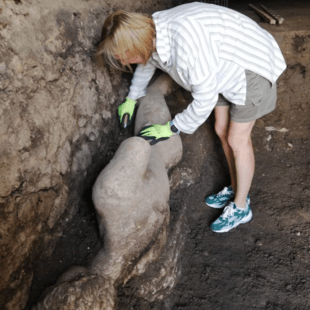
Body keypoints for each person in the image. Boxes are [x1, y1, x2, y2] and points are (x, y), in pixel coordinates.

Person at [96, 2, 286, 233]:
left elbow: (204, 100)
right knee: (221, 129)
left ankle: (241, 205)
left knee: (237, 140)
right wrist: (132, 98)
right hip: (221, 66)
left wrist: (172, 128)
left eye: (123, 56)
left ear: (135, 45)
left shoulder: (186, 48)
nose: (124, 63)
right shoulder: (150, 35)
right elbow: (147, 61)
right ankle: (236, 187)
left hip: (250, 64)